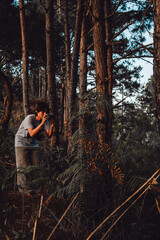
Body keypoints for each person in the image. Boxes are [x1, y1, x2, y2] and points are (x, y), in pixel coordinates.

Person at [15, 101, 54, 196]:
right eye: (43, 112)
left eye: (46, 112)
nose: (45, 114)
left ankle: (36, 190)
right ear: (37, 111)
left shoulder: (45, 121)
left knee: (35, 167)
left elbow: (49, 135)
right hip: (21, 143)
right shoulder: (30, 118)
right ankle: (25, 190)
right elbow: (32, 133)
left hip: (33, 144)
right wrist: (42, 123)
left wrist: (52, 126)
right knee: (23, 167)